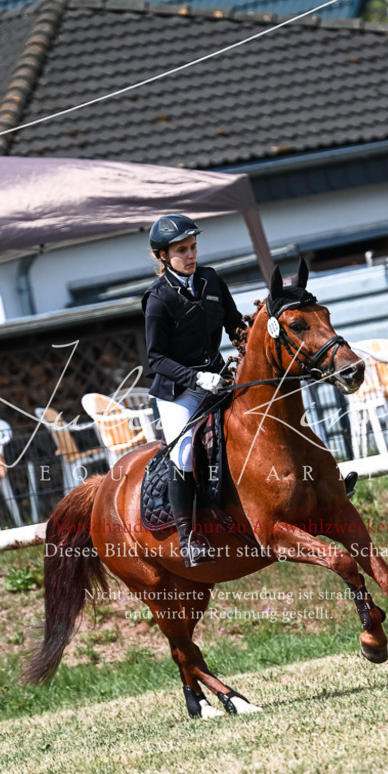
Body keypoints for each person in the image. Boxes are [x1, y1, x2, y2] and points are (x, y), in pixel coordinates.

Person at [142, 214, 244, 568]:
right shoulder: (158, 299)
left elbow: (236, 326)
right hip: (177, 392)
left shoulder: (212, 280)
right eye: (182, 250)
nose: (191, 255)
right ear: (162, 256)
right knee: (183, 454)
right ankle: (188, 539)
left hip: (218, 376)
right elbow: (156, 358)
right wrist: (196, 379)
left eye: (193, 247)